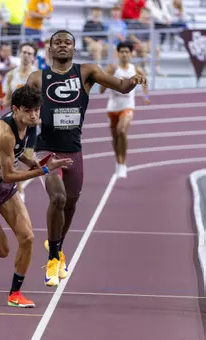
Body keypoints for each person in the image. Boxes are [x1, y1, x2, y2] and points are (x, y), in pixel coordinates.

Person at [26, 30, 147, 287]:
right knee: (57, 197)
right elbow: (25, 109)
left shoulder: (87, 72)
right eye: (57, 43)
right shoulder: (38, 77)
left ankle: (57, 247)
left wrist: (135, 79)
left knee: (69, 205)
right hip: (46, 149)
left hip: (73, 149)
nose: (62, 46)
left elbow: (123, 87)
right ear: (49, 49)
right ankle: (52, 259)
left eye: (67, 43)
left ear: (73, 48)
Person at [0, 84, 73, 307]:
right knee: (2, 251)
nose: (34, 115)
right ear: (15, 109)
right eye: (28, 110)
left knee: (28, 237)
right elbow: (9, 175)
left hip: (3, 188)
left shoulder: (27, 124)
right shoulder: (4, 133)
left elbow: (18, 152)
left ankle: (15, 294)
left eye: (36, 110)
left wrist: (33, 162)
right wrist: (43, 170)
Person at [100, 41, 149, 178]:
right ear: (118, 53)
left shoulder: (135, 69)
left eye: (127, 52)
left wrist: (146, 96)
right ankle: (118, 161)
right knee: (115, 136)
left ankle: (123, 163)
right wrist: (108, 80)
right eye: (122, 52)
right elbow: (101, 89)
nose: (124, 54)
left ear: (131, 53)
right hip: (113, 106)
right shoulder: (113, 68)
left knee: (121, 130)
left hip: (127, 105)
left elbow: (144, 82)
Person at [0, 42, 39, 202]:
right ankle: (19, 190)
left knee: (27, 158)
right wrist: (2, 100)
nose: (26, 55)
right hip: (14, 121)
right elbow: (8, 98)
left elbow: (42, 100)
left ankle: (16, 185)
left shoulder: (36, 75)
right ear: (19, 54)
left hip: (31, 122)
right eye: (24, 52)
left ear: (33, 57)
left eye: (29, 53)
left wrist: (38, 116)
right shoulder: (11, 75)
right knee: (13, 155)